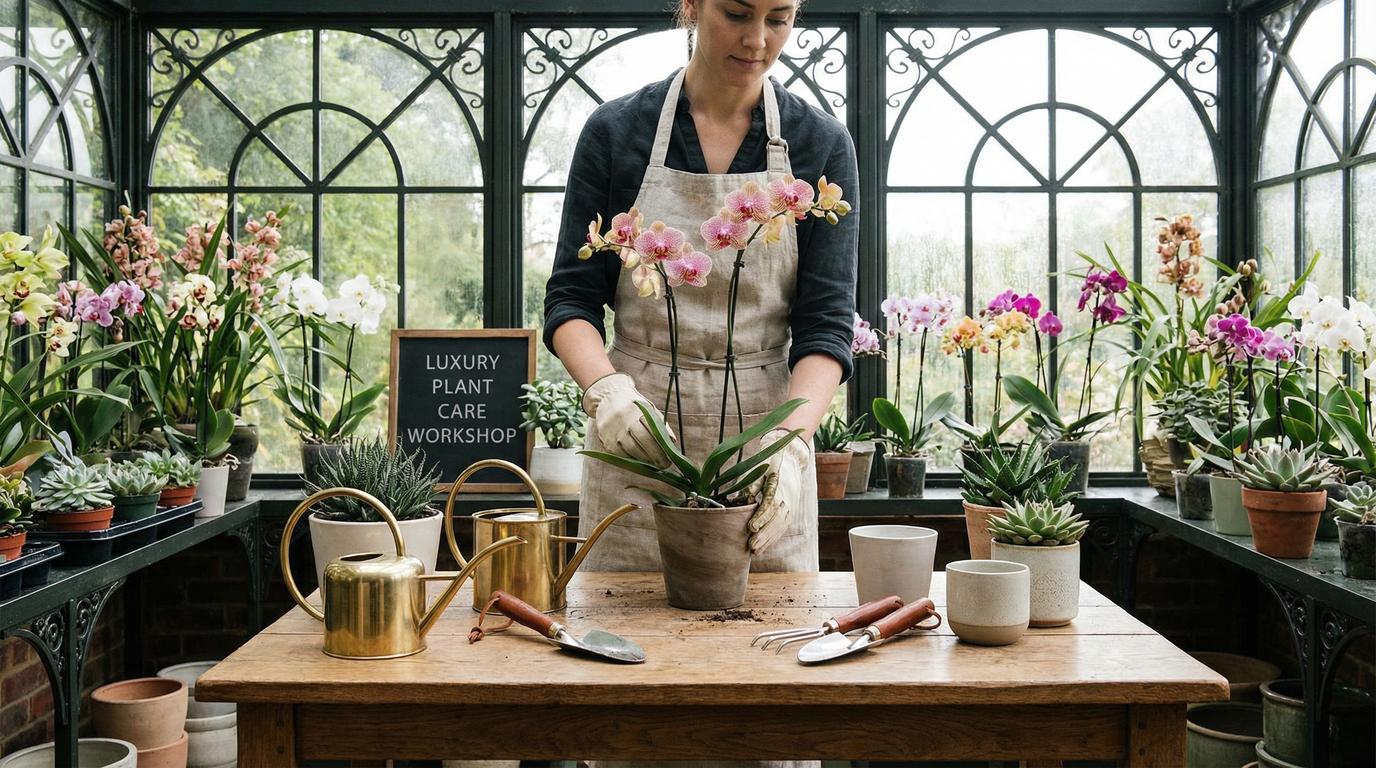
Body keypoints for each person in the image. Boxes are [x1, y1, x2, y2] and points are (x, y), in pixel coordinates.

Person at [544, 0, 858, 580]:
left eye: (779, 18)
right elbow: (570, 299)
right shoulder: (616, 132)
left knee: (771, 629)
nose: (757, 40)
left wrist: (790, 447)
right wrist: (606, 391)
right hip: (637, 439)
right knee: (623, 623)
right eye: (736, 14)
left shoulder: (820, 144)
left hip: (764, 441)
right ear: (691, 5)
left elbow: (827, 324)